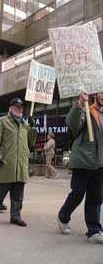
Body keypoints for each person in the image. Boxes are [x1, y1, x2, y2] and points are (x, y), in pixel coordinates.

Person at [57, 92, 103, 244]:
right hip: (83, 161)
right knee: (77, 194)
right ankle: (63, 216)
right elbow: (73, 124)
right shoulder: (87, 110)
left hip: (100, 163)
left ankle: (94, 230)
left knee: (96, 198)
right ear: (96, 94)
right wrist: (79, 104)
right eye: (102, 92)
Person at [0, 98, 37, 227]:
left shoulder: (24, 124)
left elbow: (31, 143)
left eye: (21, 107)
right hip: (7, 163)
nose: (20, 109)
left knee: (18, 194)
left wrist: (32, 128)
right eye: (17, 107)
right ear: (10, 108)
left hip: (21, 164)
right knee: (2, 191)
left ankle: (15, 216)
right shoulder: (2, 121)